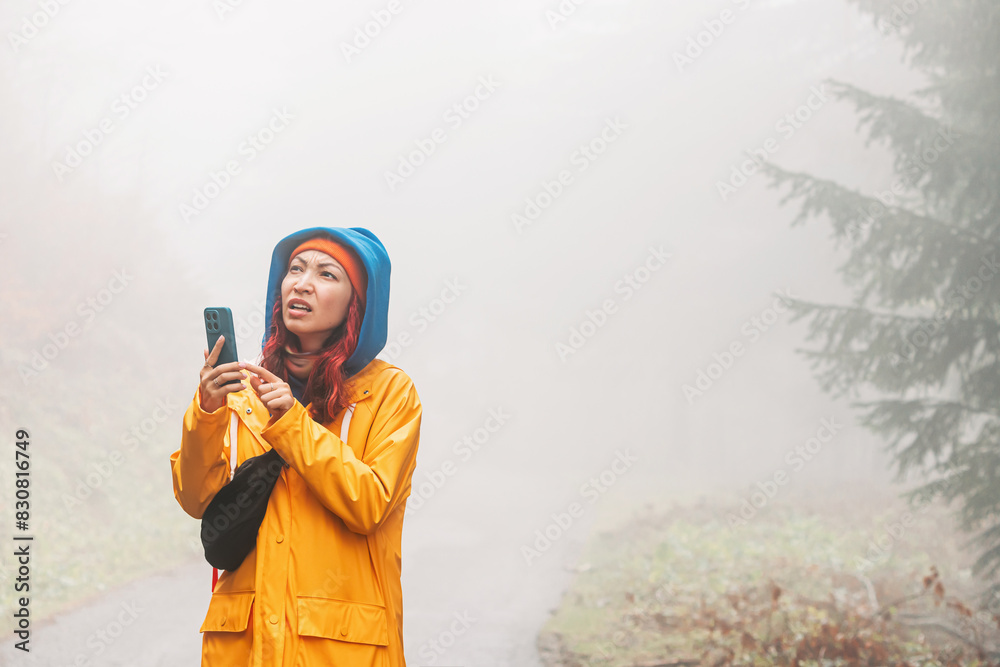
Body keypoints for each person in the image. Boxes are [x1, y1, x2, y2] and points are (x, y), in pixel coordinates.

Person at [169, 226, 422, 666]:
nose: (302, 283)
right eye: (295, 269)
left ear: (356, 304)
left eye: (326, 274)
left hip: (340, 648)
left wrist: (292, 423)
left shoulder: (389, 392)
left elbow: (369, 504)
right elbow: (196, 500)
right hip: (243, 648)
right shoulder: (245, 392)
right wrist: (207, 411)